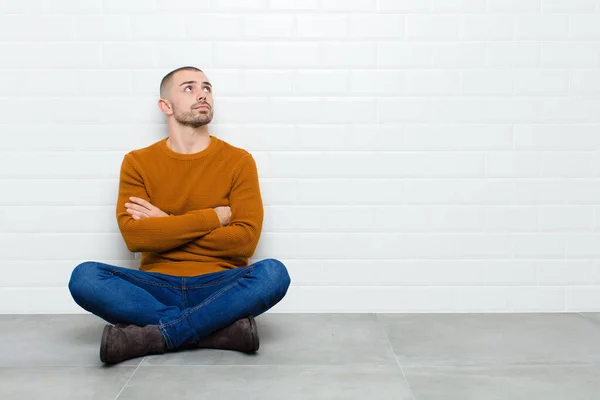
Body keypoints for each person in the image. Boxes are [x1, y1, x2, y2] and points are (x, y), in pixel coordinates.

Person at [68, 66, 291, 365]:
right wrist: (212, 217)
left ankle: (160, 334)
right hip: (156, 289)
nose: (202, 94)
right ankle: (216, 331)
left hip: (220, 285)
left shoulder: (239, 161)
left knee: (274, 273)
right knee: (85, 277)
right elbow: (135, 237)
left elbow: (245, 242)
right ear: (166, 106)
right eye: (189, 88)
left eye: (207, 88)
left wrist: (165, 224)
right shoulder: (138, 162)